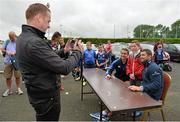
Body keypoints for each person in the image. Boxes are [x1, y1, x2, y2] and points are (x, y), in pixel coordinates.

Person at [16, 3, 83, 121]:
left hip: (38, 95)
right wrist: (78, 52)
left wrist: (65, 50)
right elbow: (64, 68)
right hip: (46, 98)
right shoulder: (34, 42)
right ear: (39, 18)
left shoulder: (24, 37)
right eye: (48, 21)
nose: (49, 26)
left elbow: (44, 59)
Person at [1, 31, 23, 97]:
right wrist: (7, 52)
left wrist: (16, 52)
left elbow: (22, 50)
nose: (11, 39)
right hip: (8, 61)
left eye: (12, 38)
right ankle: (9, 90)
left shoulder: (19, 42)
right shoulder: (7, 41)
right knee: (8, 77)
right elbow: (2, 49)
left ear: (15, 36)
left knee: (18, 76)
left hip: (16, 61)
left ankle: (18, 89)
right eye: (10, 38)